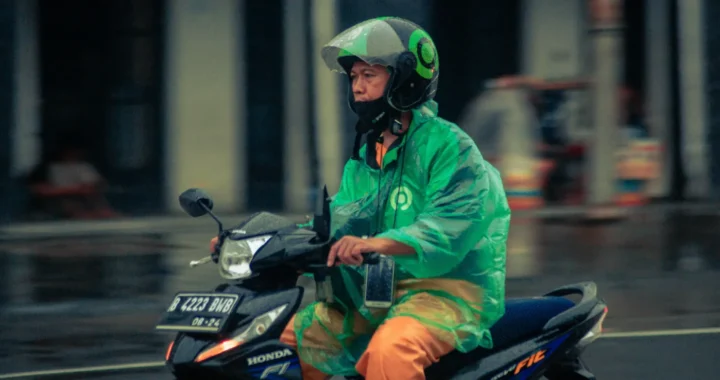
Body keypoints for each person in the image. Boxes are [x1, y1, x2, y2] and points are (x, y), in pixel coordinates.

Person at [210, 17, 510, 380]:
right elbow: (340, 221)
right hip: (370, 298)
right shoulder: (367, 155)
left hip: (443, 294)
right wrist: (259, 247)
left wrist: (377, 244)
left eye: (370, 75)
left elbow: (450, 226)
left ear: (405, 78)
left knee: (392, 351)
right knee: (274, 345)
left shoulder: (449, 147)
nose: (358, 88)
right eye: (353, 77)